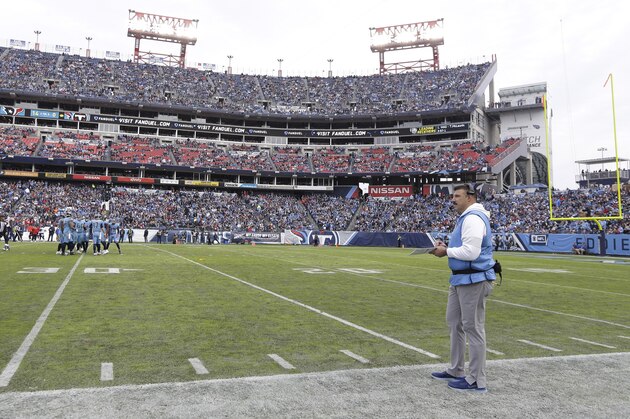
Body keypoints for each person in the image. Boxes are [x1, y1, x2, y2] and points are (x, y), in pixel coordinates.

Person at [430, 184, 496, 393]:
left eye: (457, 195)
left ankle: (477, 379)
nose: (453, 199)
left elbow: (471, 252)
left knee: (473, 328)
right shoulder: (467, 217)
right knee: (454, 323)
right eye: (453, 195)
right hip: (460, 279)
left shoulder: (474, 218)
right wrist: (446, 247)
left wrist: (446, 251)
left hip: (473, 279)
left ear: (470, 197)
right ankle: (456, 369)